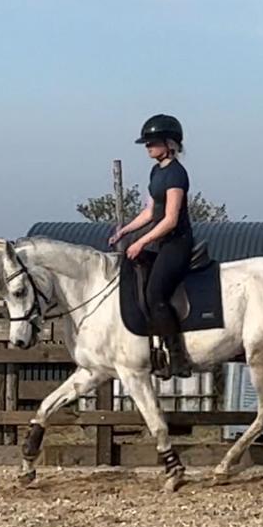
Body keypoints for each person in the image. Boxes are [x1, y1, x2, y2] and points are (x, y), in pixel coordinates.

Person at [109, 114, 193, 378]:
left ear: (169, 143)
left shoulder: (177, 174)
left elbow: (169, 219)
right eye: (147, 143)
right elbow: (149, 211)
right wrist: (126, 231)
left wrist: (142, 241)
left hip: (176, 243)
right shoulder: (156, 171)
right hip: (161, 243)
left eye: (152, 142)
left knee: (156, 293)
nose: (148, 147)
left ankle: (177, 359)